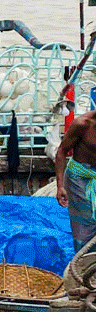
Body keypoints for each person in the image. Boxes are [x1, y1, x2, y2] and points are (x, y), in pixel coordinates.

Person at [56, 108, 96, 252]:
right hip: (78, 179)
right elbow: (61, 151)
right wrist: (60, 186)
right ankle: (83, 267)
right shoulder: (82, 124)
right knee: (85, 228)